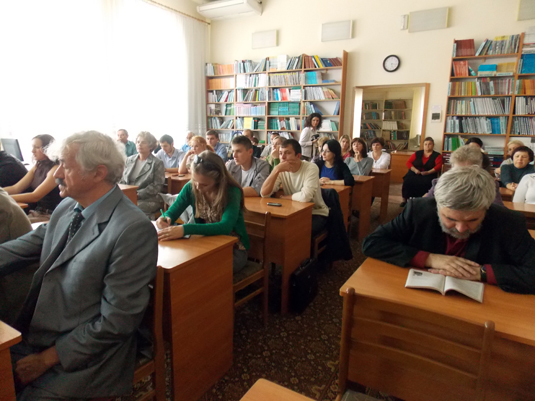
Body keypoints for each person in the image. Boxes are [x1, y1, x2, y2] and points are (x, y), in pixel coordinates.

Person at [0, 130, 158, 399]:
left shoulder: (132, 230)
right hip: (40, 334)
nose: (56, 173)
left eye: (65, 165)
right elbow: (22, 247)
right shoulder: (68, 207)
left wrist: (47, 359)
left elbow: (115, 323)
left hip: (87, 356)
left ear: (98, 173)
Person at [363, 166, 535, 294]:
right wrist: (430, 258)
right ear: (437, 206)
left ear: (486, 209)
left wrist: (480, 273)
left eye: (473, 220)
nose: (460, 228)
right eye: (451, 219)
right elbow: (372, 243)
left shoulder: (508, 222)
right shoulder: (419, 210)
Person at [157, 150, 249, 273]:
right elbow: (172, 212)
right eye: (195, 181)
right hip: (204, 243)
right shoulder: (191, 187)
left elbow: (225, 227)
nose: (198, 187)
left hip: (234, 249)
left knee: (202, 271)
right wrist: (165, 218)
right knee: (184, 268)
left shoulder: (232, 192)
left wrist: (185, 229)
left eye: (204, 184)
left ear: (218, 180)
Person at [261, 139, 329, 237]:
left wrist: (286, 197)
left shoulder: (311, 168)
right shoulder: (281, 169)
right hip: (293, 212)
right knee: (274, 230)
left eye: (287, 153)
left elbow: (306, 197)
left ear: (298, 156)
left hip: (315, 213)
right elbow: (264, 193)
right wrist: (276, 170)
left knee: (294, 232)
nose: (283, 157)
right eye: (280, 153)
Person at [4, 135, 62, 222]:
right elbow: (15, 188)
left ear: (47, 149)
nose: (32, 151)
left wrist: (4, 198)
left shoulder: (55, 169)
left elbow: (35, 196)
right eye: (32, 147)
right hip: (37, 212)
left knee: (9, 224)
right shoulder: (38, 165)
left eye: (37, 147)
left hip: (50, 215)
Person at [425, 145, 504, 206]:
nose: (462, 176)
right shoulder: (440, 183)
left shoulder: (489, 184)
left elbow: (498, 213)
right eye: (458, 171)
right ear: (452, 168)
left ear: (480, 170)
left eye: (467, 172)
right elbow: (425, 207)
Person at [120, 131, 165, 217]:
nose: (139, 144)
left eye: (143, 142)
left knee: (130, 208)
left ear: (151, 146)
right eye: (138, 142)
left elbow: (157, 186)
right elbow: (122, 180)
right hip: (128, 196)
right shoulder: (129, 160)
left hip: (148, 198)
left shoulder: (157, 163)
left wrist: (137, 195)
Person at [400, 137, 443, 206]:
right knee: (407, 180)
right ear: (423, 145)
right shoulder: (417, 153)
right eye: (425, 144)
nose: (427, 146)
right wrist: (415, 170)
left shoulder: (437, 155)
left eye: (429, 144)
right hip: (415, 172)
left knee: (426, 182)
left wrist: (428, 172)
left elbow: (438, 166)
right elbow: (409, 163)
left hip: (429, 173)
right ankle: (405, 199)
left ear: (433, 145)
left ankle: (422, 200)